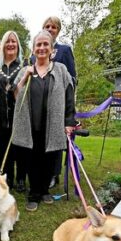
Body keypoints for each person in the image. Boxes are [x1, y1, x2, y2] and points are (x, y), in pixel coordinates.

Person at [12, 30, 76, 211]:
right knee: (32, 159)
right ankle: (33, 193)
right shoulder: (26, 70)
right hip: (30, 124)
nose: (41, 48)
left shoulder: (61, 70)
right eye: (38, 45)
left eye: (45, 44)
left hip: (52, 124)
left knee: (50, 158)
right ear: (33, 49)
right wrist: (26, 76)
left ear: (51, 50)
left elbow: (69, 97)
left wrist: (69, 121)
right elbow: (15, 95)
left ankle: (44, 190)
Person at [0, 31, 27, 191]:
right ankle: (8, 177)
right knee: (6, 148)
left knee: (22, 149)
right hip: (1, 117)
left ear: (18, 45)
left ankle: (21, 178)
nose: (11, 44)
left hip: (20, 115)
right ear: (3, 45)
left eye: (14, 41)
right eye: (8, 41)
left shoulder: (25, 66)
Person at [42, 16, 77, 189]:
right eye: (47, 26)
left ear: (58, 30)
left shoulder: (64, 50)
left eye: (53, 27)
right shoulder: (37, 50)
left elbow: (72, 79)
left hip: (58, 105)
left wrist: (69, 109)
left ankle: (53, 174)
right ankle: (40, 172)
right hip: (40, 105)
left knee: (55, 140)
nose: (50, 29)